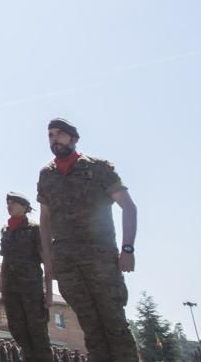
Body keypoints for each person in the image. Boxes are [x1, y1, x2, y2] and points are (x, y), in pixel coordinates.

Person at [37, 118, 138, 362]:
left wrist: (127, 249)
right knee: (90, 328)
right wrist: (48, 263)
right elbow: (45, 221)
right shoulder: (46, 175)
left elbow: (129, 207)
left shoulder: (99, 168)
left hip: (100, 260)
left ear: (73, 138)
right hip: (68, 265)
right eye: (50, 135)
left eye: (60, 134)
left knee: (114, 323)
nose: (54, 139)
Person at [0, 192, 52, 362]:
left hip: (32, 290)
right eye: (8, 203)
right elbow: (5, 261)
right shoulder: (5, 230)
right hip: (11, 291)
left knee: (38, 334)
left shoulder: (35, 229)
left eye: (13, 202)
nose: (9, 205)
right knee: (18, 331)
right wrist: (3, 290)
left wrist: (49, 294)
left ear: (25, 207)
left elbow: (46, 260)